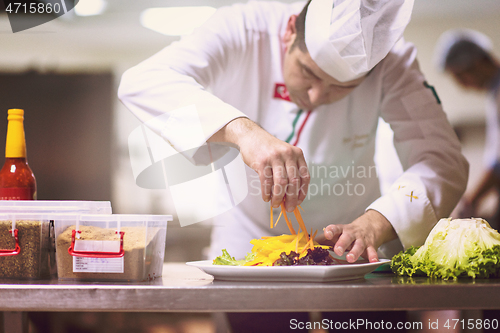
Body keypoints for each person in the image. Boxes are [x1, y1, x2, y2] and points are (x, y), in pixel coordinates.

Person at [119, 1, 468, 331]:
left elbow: (442, 160)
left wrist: (374, 225)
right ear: (289, 32)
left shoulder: (393, 64)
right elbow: (142, 82)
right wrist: (245, 132)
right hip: (250, 236)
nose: (317, 96)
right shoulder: (242, 29)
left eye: (340, 88)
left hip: (353, 245)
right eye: (308, 73)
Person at [435, 29, 500, 228]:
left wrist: (470, 200)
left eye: (461, 76)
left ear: (479, 62)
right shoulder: (494, 93)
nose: (462, 85)